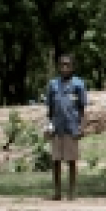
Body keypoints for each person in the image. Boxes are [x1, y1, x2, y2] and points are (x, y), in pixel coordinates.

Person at [43, 55, 88, 202]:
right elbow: (50, 108)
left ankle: (72, 191)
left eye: (67, 65)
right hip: (57, 127)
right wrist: (48, 125)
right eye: (62, 65)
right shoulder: (53, 84)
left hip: (72, 126)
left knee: (71, 160)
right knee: (56, 160)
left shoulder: (78, 84)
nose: (64, 68)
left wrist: (82, 126)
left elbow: (82, 108)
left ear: (72, 67)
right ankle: (57, 191)